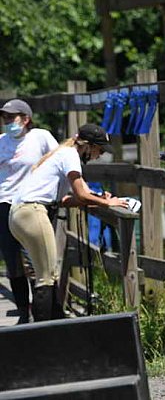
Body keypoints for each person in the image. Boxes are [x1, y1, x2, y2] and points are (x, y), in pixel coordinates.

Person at [9, 123, 127, 321]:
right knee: (46, 277)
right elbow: (82, 193)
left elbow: (65, 200)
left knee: (46, 274)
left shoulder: (62, 153)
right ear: (87, 145)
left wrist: (97, 199)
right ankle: (43, 334)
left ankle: (57, 323)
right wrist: (107, 202)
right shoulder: (71, 155)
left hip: (20, 215)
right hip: (32, 212)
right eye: (99, 150)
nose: (99, 155)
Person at [0, 99, 59, 324]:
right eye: (4, 117)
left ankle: (46, 312)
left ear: (25, 119)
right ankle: (23, 313)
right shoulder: (1, 142)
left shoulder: (40, 137)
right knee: (13, 262)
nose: (6, 121)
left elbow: (59, 161)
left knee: (39, 262)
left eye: (11, 117)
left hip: (31, 204)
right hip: (4, 205)